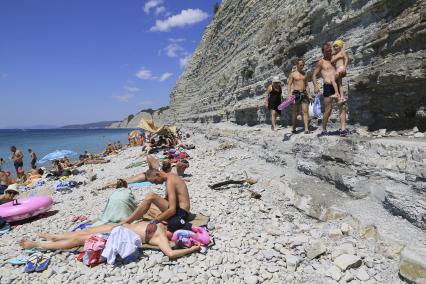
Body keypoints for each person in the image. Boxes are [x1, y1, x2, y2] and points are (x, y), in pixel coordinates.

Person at [19, 221, 201, 259]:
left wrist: (192, 249)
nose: (172, 235)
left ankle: (38, 244)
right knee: (87, 230)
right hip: (118, 227)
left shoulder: (161, 237)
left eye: (176, 237)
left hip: (117, 236)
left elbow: (170, 254)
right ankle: (55, 236)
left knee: (79, 241)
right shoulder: (163, 226)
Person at [119, 169, 192, 233]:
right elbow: (170, 200)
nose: (156, 183)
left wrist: (155, 221)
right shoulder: (170, 177)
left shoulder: (170, 181)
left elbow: (172, 210)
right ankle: (133, 218)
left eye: (155, 181)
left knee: (151, 196)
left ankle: (127, 221)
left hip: (182, 213)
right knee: (148, 206)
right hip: (178, 209)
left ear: (158, 174)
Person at [312, 42, 348, 137]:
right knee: (328, 110)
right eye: (326, 51)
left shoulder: (334, 59)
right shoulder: (321, 62)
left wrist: (344, 71)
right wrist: (315, 85)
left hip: (337, 84)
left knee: (342, 106)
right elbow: (314, 75)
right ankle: (324, 129)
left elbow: (343, 65)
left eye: (330, 50)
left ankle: (343, 129)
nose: (329, 52)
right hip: (328, 86)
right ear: (323, 52)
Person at [287, 58, 314, 134]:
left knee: (305, 112)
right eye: (300, 65)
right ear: (297, 65)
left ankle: (306, 129)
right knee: (295, 112)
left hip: (304, 93)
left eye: (303, 65)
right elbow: (289, 85)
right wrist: (289, 94)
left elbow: (307, 85)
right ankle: (294, 127)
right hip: (295, 94)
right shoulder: (292, 74)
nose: (302, 66)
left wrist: (309, 95)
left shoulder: (304, 74)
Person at [331, 39, 348, 104]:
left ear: (340, 46)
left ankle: (336, 93)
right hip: (338, 69)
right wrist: (335, 56)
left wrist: (344, 67)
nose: (335, 48)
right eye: (334, 46)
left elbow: (346, 59)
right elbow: (332, 62)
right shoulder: (335, 55)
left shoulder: (342, 52)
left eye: (336, 46)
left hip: (341, 68)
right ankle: (342, 98)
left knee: (332, 80)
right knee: (340, 84)